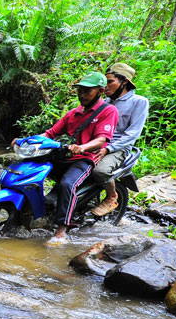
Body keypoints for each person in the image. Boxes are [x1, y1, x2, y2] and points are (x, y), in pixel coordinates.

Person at [40, 71, 119, 245]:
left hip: (85, 158)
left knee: (68, 184)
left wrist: (82, 147)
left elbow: (102, 139)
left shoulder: (108, 111)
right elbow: (50, 133)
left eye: (86, 91)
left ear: (100, 91)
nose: (81, 95)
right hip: (65, 155)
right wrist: (29, 141)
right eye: (80, 90)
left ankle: (62, 228)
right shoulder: (73, 113)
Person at [89, 63, 150, 216]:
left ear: (124, 82)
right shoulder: (104, 103)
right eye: (105, 82)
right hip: (98, 143)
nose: (106, 86)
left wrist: (108, 149)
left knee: (100, 170)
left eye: (110, 81)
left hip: (118, 148)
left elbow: (133, 134)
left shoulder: (139, 102)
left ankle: (111, 197)